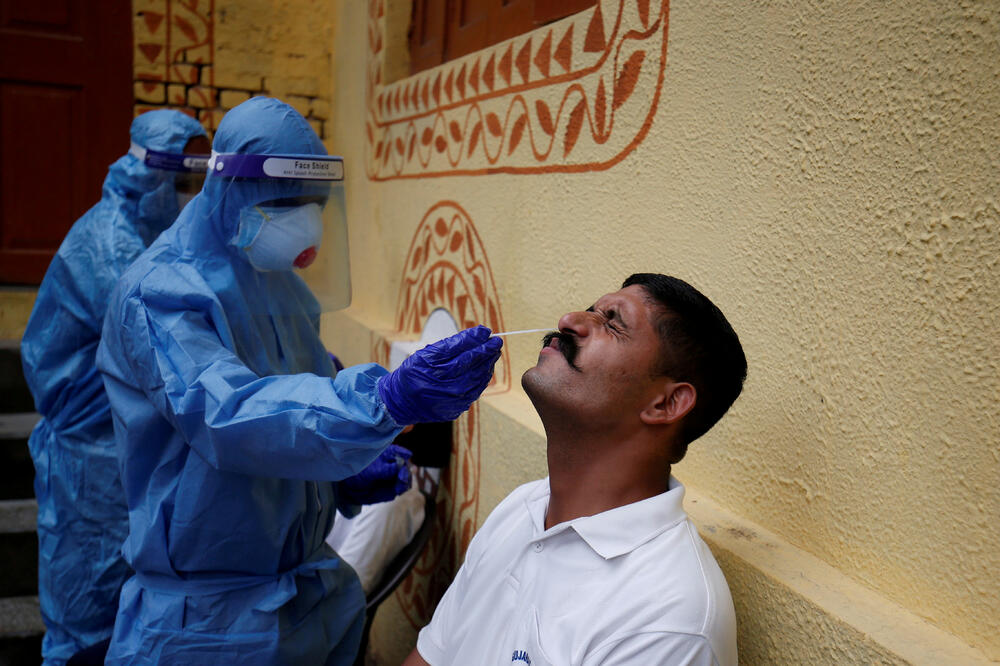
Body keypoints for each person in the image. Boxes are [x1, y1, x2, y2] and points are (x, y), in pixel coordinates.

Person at [95, 97, 502, 664]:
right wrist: (381, 400)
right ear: (229, 191)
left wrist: (333, 484)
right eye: (285, 203)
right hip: (208, 622)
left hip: (307, 598)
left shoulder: (277, 281)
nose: (304, 221)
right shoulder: (161, 293)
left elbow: (292, 412)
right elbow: (231, 415)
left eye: (313, 203)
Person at [405, 273, 747, 666]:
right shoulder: (524, 508)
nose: (569, 321)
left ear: (665, 404)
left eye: (612, 323)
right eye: (590, 311)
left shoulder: (668, 616)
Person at [20, 109, 209, 665]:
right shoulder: (110, 246)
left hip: (123, 439)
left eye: (200, 182)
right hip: (88, 454)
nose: (193, 196)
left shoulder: (157, 236)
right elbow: (170, 345)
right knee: (85, 613)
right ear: (149, 175)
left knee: (127, 612)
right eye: (183, 183)